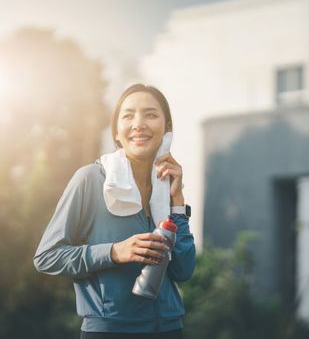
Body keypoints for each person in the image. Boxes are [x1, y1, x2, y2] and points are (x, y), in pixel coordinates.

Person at [33, 84, 196, 339]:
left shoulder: (166, 186)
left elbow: (183, 271)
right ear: (117, 133)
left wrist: (177, 201)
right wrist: (114, 252)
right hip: (110, 331)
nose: (139, 124)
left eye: (151, 114)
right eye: (128, 115)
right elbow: (47, 256)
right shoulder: (90, 180)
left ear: (167, 129)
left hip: (169, 328)